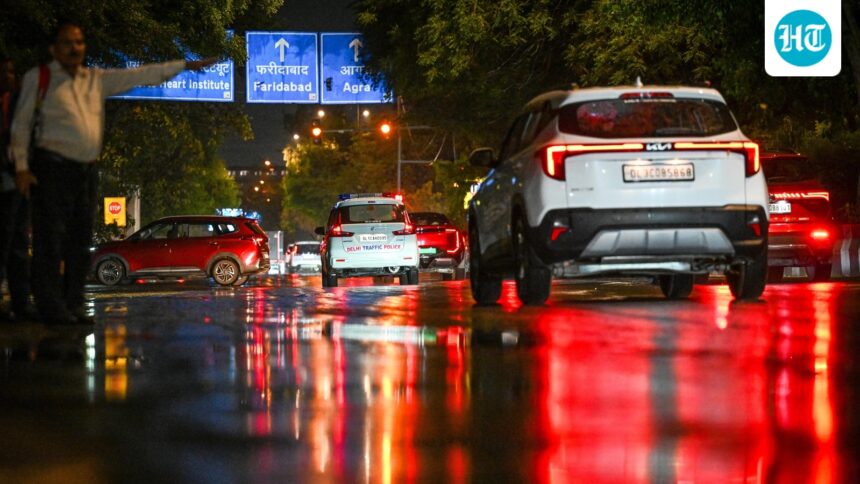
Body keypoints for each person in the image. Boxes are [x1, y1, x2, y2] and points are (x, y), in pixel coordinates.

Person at [9, 22, 216, 325]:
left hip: (85, 170)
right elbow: (21, 124)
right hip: (51, 168)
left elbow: (142, 75)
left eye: (79, 42)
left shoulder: (95, 79)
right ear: (54, 49)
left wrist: (186, 65)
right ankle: (51, 306)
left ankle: (73, 303)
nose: (74, 47)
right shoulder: (38, 79)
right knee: (49, 240)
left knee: (79, 241)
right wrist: (22, 167)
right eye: (67, 42)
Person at [0, 56, 34, 322]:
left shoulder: (17, 104)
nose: (11, 76)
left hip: (19, 183)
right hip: (7, 179)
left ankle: (21, 304)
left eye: (12, 71)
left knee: (19, 244)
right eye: (6, 72)